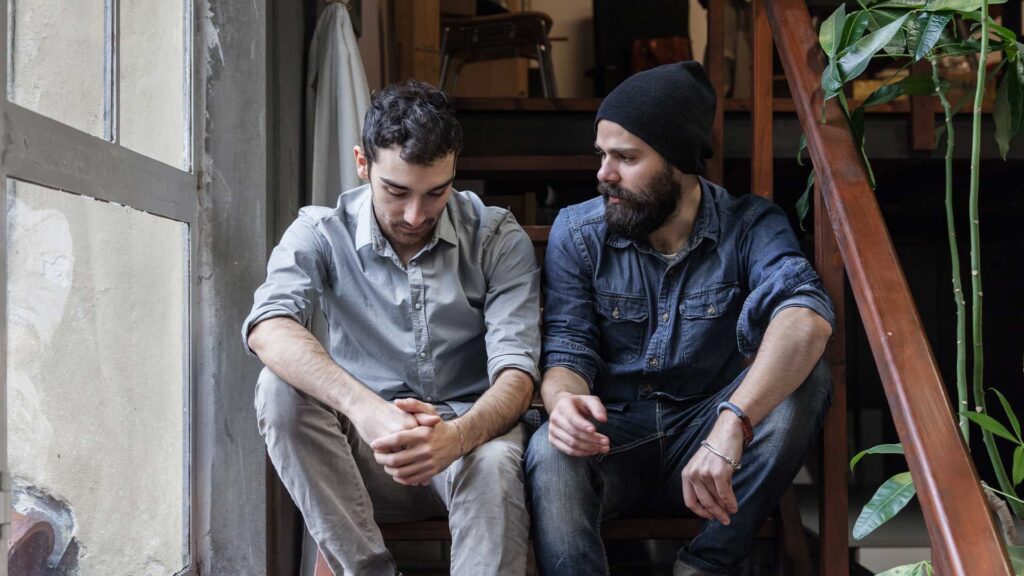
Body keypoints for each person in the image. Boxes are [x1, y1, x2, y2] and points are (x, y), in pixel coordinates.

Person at [525, 61, 835, 576]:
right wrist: (562, 403)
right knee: (549, 448)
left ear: (679, 162)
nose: (604, 174)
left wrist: (732, 422)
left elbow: (806, 318)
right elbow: (567, 351)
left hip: (711, 441)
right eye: (602, 155)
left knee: (808, 379)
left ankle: (705, 567)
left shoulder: (750, 225)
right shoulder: (578, 233)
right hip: (615, 438)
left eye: (626, 157)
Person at [243, 80, 540, 576]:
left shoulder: (496, 236)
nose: (414, 214)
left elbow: (518, 376)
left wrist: (457, 436)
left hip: (471, 444)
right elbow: (268, 326)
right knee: (277, 389)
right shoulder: (320, 231)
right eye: (396, 191)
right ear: (363, 163)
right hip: (366, 454)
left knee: (492, 468)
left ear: (453, 171)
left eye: (436, 193)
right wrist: (369, 411)